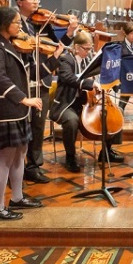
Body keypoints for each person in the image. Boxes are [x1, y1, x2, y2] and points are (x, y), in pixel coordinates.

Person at [0, 6, 45, 220]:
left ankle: (17, 197)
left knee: (20, 156)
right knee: (4, 160)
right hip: (5, 110)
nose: (20, 26)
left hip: (17, 112)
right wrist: (23, 98)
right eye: (16, 22)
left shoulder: (9, 44)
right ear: (3, 25)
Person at [14, 0, 79, 182]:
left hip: (42, 79)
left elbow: (57, 46)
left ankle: (34, 165)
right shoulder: (14, 23)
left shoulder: (41, 23)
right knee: (21, 126)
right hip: (23, 80)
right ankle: (17, 167)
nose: (36, 3)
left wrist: (69, 31)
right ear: (20, 3)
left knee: (38, 126)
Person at [49, 31, 99, 172]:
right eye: (86, 49)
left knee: (107, 115)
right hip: (66, 104)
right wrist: (88, 83)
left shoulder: (87, 61)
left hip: (84, 103)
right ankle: (70, 157)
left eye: (90, 49)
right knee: (72, 121)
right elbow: (68, 78)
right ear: (76, 47)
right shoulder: (66, 59)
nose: (89, 52)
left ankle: (106, 152)